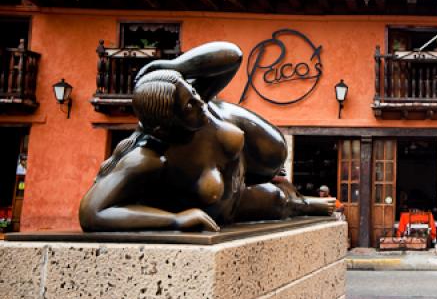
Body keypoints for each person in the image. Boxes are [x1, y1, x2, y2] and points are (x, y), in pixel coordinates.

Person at [79, 42, 335, 232]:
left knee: (276, 178)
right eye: (189, 106)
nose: (200, 102)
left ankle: (302, 202)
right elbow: (92, 213)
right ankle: (305, 204)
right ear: (166, 125)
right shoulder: (147, 158)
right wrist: (175, 221)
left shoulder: (196, 98)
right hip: (230, 206)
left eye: (192, 92)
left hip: (240, 175)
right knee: (276, 200)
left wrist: (173, 67)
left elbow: (232, 54)